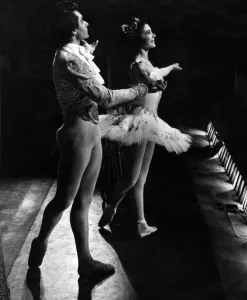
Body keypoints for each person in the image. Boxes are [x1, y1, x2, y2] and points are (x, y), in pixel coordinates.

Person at [27, 2, 162, 282]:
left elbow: (89, 80)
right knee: (65, 199)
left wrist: (88, 53)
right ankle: (40, 241)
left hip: (89, 130)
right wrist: (138, 89)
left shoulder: (77, 54)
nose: (87, 23)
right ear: (72, 29)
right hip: (77, 133)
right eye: (82, 20)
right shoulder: (68, 58)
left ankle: (85, 263)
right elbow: (104, 98)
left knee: (85, 201)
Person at [98, 17, 192, 238]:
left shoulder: (147, 64)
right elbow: (152, 80)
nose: (154, 35)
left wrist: (172, 67)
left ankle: (141, 223)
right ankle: (111, 207)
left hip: (152, 121)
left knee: (142, 178)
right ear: (139, 38)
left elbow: (159, 72)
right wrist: (157, 81)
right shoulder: (139, 65)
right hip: (139, 121)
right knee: (131, 178)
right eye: (149, 32)